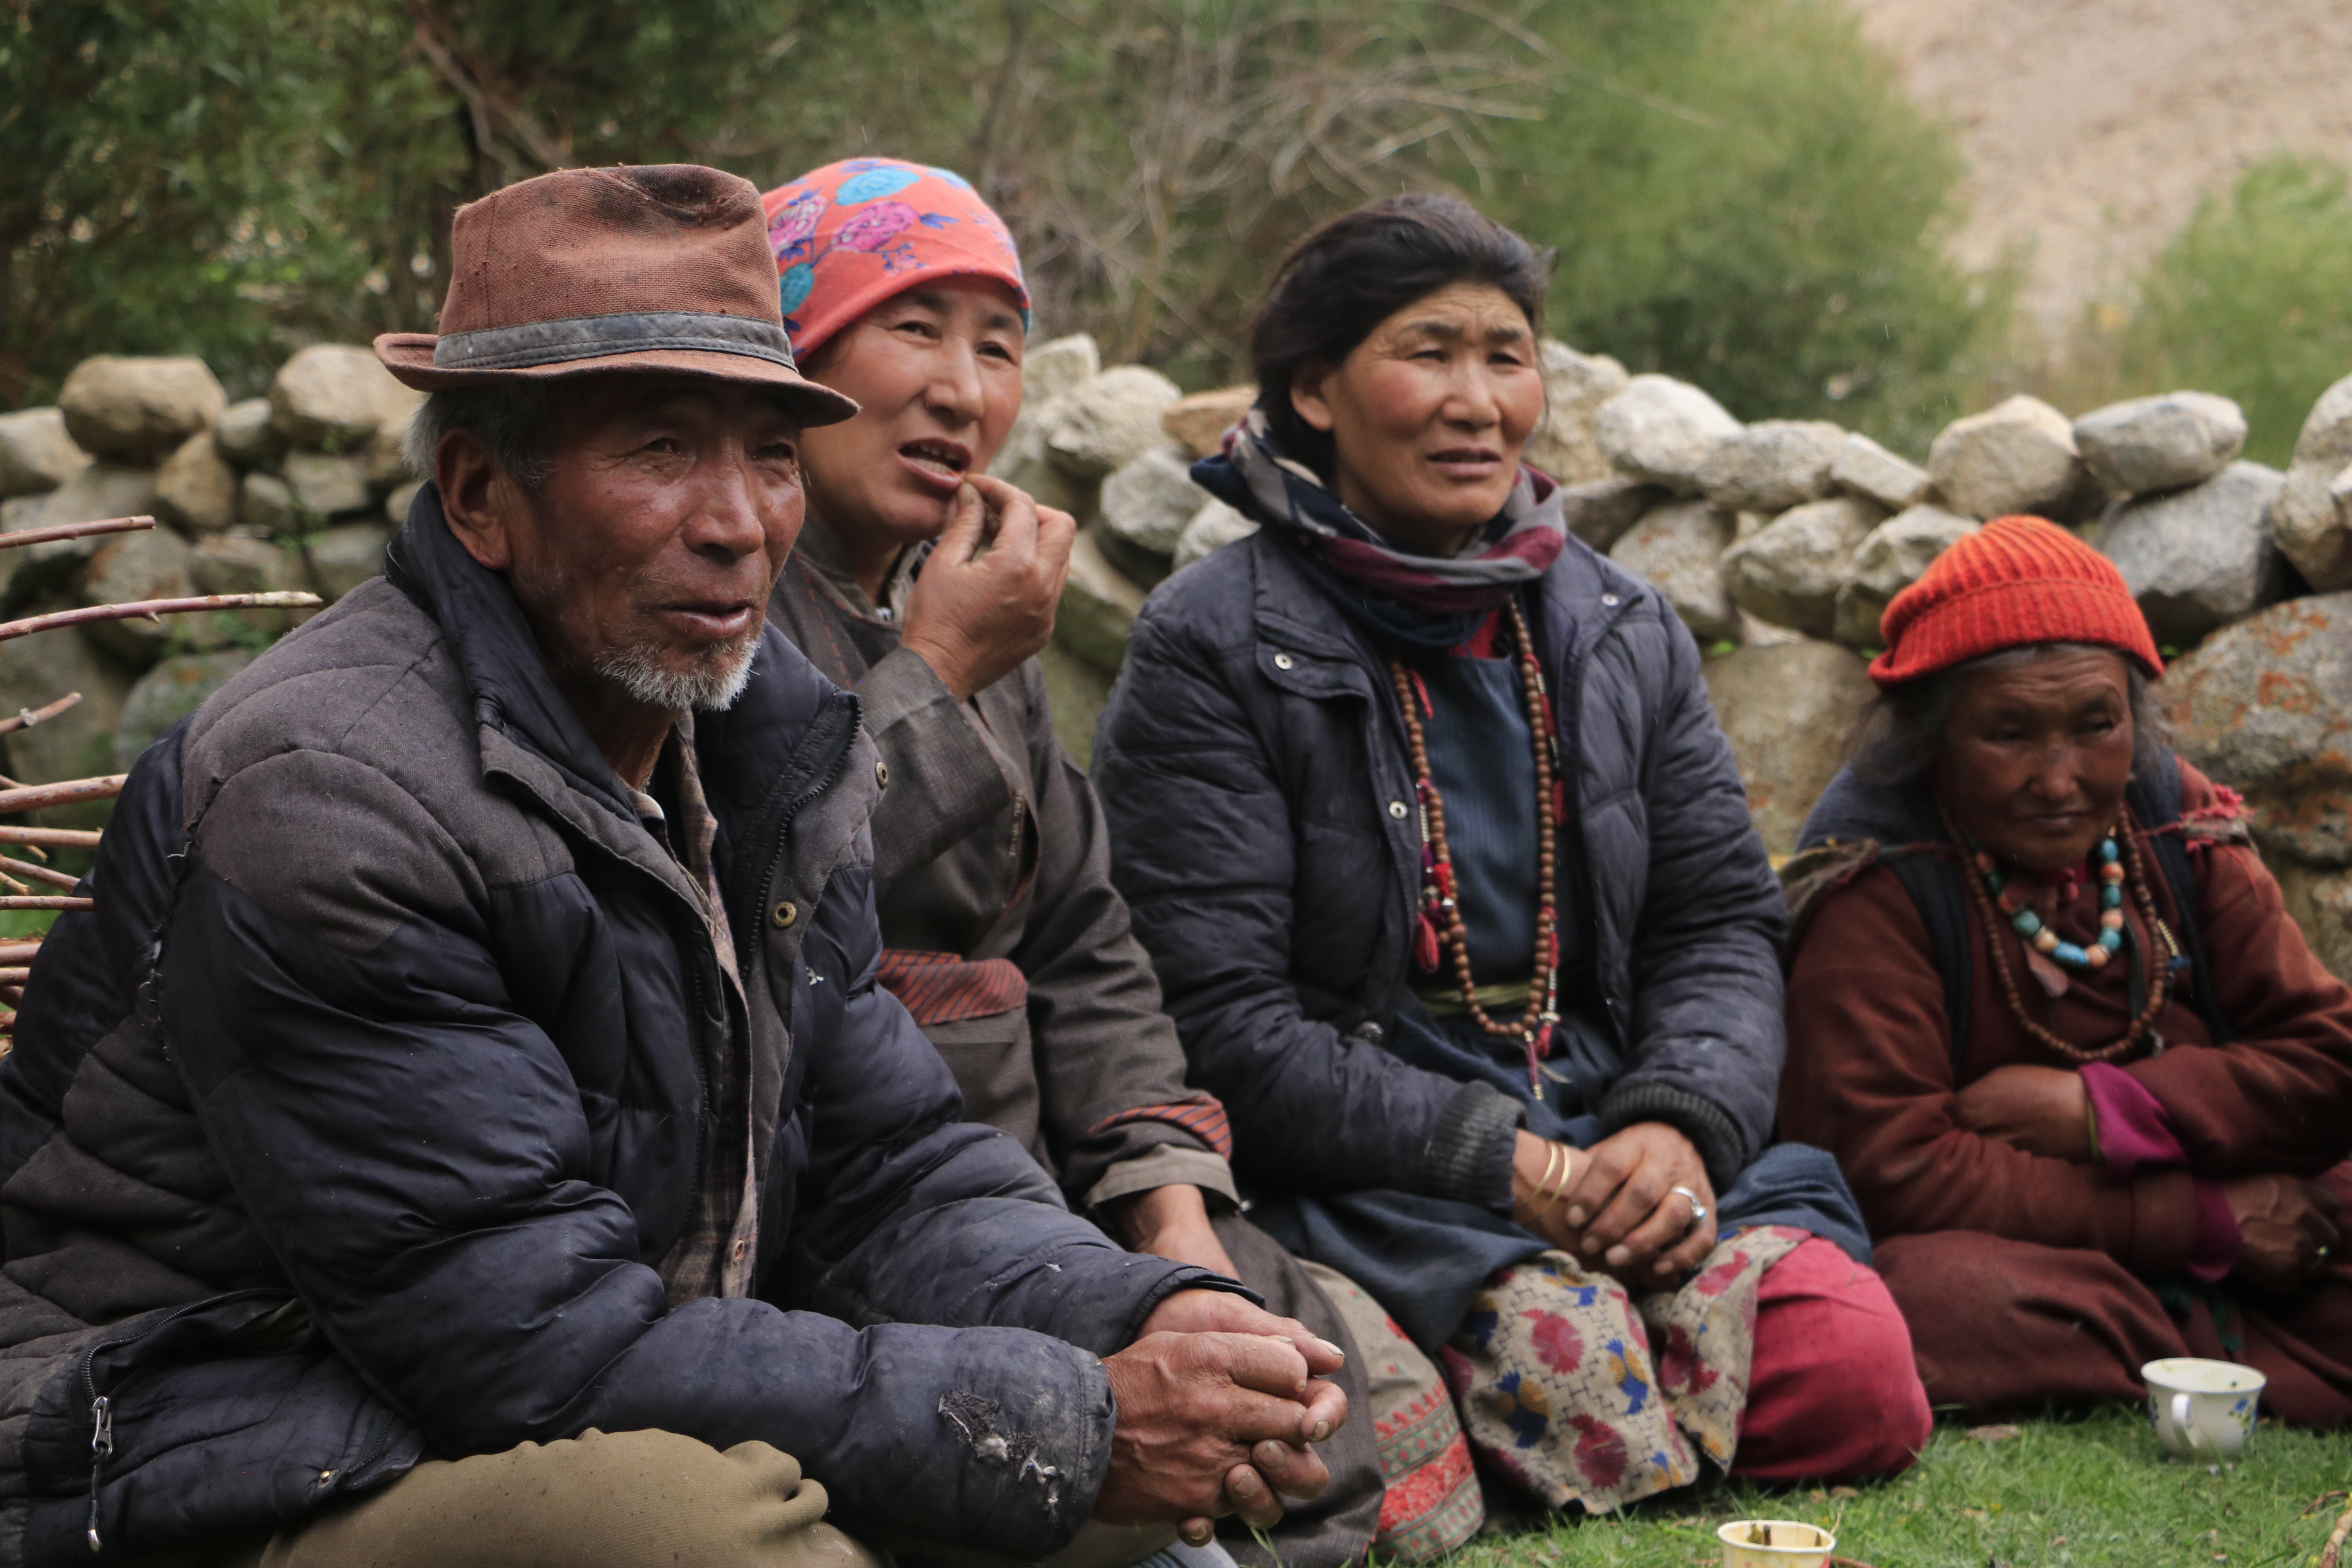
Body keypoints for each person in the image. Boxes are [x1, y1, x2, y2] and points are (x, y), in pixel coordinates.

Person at [0, 164, 1350, 1568]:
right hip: (204, 1440)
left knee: (1113, 1479)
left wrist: (1131, 1316)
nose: (739, 522)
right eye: (658, 450)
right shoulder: (332, 795)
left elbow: (894, 1166)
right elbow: (529, 1346)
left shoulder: (755, 752)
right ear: (479, 493)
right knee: (716, 1533)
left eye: (769, 456)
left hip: (547, 1389)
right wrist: (1073, 1417)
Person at [1088, 194, 1930, 1529]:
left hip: (1610, 1118)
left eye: (1508, 354)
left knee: (1858, 1378)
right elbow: (1219, 1018)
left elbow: (1716, 922)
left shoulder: (1616, 625)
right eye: (1428, 352)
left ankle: (1604, 1370)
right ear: (1317, 389)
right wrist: (1507, 1166)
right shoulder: (1217, 643)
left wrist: (1676, 1127)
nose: (1479, 400)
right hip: (1386, 1164)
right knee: (1572, 1376)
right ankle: (1542, 1383)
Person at [755, 156, 1398, 1568]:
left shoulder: (968, 599)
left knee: (1295, 1368)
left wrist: (1173, 1211)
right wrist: (936, 668)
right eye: (913, 328)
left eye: (999, 347)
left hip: (1039, 1183)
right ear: (793, 354)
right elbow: (766, 901)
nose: (964, 390)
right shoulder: (719, 612)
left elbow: (1084, 941)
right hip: (845, 1211)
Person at [1780, 513, 2352, 1424]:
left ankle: (2178, 1340)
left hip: (2224, 1205)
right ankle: (2222, 1336)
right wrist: (2199, 1222)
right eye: (2008, 733)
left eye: (2097, 725)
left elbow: (2329, 1059)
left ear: (2136, 717)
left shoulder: (2170, 814)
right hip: (2032, 1247)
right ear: (1931, 738)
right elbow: (1896, 1166)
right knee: (1928, 1298)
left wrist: (2105, 1112)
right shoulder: (1877, 871)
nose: (2059, 779)